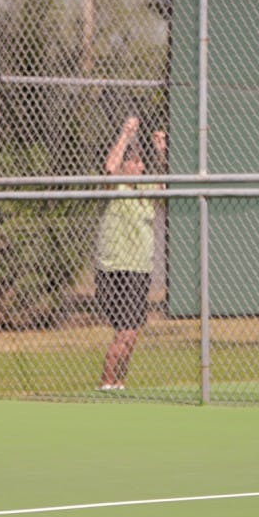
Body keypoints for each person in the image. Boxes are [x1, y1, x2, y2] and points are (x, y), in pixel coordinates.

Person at [95, 116, 165, 391]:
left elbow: (163, 182)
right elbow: (110, 167)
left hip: (139, 269)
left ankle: (118, 383)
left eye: (141, 162)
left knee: (130, 333)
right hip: (111, 269)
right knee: (125, 331)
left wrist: (160, 151)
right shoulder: (116, 187)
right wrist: (125, 134)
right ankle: (106, 384)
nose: (140, 166)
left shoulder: (146, 190)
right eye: (134, 161)